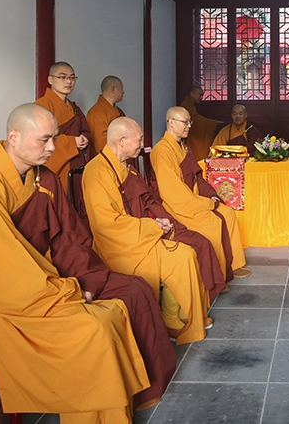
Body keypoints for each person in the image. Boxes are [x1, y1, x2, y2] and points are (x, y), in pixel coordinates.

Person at [0, 104, 174, 424]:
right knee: (93, 328)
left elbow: (69, 238)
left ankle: (136, 395)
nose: (53, 148)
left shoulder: (44, 177)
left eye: (54, 138)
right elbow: (1, 267)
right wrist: (67, 293)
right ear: (14, 137)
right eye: (45, 140)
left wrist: (86, 279)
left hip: (46, 277)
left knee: (134, 289)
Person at [83, 116, 215, 344]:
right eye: (139, 138)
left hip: (139, 235)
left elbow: (144, 202)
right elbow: (107, 224)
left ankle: (176, 316)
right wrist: (150, 226)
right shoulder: (97, 172)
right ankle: (171, 318)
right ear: (122, 140)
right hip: (119, 245)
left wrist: (158, 221)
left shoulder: (127, 167)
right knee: (181, 256)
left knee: (186, 253)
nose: (142, 143)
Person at [151, 106, 251, 281]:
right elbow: (173, 193)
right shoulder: (161, 151)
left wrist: (211, 195)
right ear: (171, 123)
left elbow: (197, 177)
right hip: (178, 206)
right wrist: (204, 204)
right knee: (212, 223)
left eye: (190, 121)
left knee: (228, 214)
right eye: (185, 122)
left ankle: (234, 265)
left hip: (193, 199)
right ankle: (218, 276)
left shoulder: (182, 147)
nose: (189, 125)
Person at [34, 61, 92, 189]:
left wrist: (84, 139)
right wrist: (72, 142)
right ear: (50, 79)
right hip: (56, 167)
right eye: (62, 77)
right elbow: (41, 140)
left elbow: (86, 131)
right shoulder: (41, 105)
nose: (68, 82)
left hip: (76, 164)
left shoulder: (74, 108)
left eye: (72, 77)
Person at [178, 85, 221, 161]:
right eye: (200, 95)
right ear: (192, 93)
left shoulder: (191, 105)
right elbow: (196, 120)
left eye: (202, 95)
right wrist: (215, 124)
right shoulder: (185, 105)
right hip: (191, 135)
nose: (201, 97)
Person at [87, 75, 126, 158]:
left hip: (121, 158)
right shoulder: (96, 112)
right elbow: (100, 145)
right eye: (121, 88)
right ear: (113, 89)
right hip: (106, 161)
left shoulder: (119, 111)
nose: (123, 92)